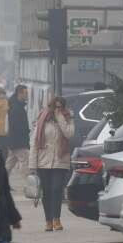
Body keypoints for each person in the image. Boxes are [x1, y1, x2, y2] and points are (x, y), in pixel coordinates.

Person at [29, 95, 75, 232]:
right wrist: (32, 165)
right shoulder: (42, 119)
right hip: (43, 162)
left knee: (56, 189)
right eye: (56, 106)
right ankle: (48, 221)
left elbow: (69, 134)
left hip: (60, 161)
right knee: (47, 192)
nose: (58, 108)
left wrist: (60, 117)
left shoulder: (68, 118)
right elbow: (34, 143)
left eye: (60, 106)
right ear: (51, 106)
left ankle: (57, 219)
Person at [4, 85, 30, 183]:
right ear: (20, 94)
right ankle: (29, 185)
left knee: (9, 165)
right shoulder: (16, 108)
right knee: (25, 164)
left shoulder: (15, 105)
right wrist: (24, 138)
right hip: (19, 142)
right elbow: (16, 127)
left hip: (14, 142)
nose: (27, 95)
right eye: (25, 93)